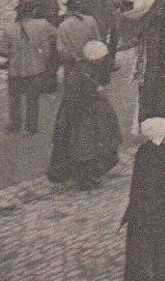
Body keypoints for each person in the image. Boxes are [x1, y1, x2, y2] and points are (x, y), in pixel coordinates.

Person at [121, 117, 165, 281]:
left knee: (142, 249)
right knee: (156, 248)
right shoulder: (161, 155)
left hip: (143, 208)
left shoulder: (144, 152)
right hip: (157, 210)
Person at [47, 40, 119, 190]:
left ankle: (89, 176)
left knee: (89, 150)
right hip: (82, 119)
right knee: (85, 151)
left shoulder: (85, 70)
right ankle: (85, 179)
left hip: (86, 116)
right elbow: (80, 98)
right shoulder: (81, 74)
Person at [0, 12, 57, 135]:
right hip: (35, 68)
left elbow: (3, 49)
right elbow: (55, 34)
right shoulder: (42, 24)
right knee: (33, 100)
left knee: (14, 98)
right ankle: (31, 127)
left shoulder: (9, 29)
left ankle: (15, 125)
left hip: (16, 69)